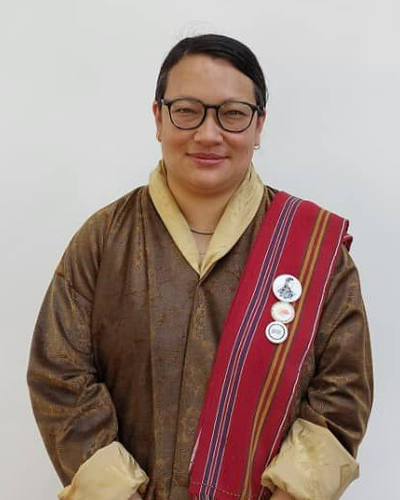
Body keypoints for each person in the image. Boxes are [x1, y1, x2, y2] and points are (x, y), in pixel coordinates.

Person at [27, 34, 373, 500]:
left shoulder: (313, 251)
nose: (209, 134)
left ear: (259, 125)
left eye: (232, 114)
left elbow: (343, 391)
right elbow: (59, 377)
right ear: (158, 118)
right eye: (187, 111)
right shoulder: (105, 240)